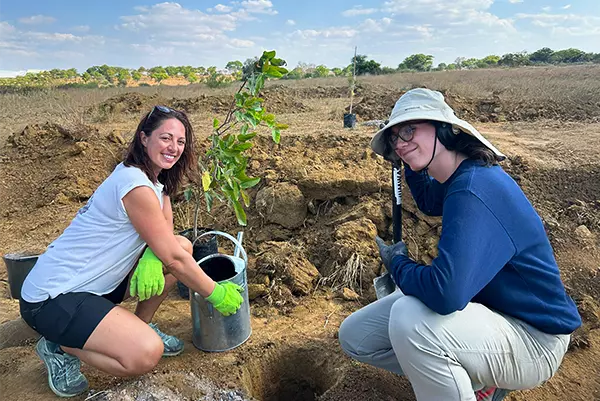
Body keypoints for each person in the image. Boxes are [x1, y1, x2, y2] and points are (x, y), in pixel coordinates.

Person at [338, 89, 581, 401]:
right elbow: (428, 201)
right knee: (356, 336)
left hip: (534, 337)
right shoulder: (460, 175)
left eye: (410, 130)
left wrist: (398, 265)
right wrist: (407, 163)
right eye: (394, 138)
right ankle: (467, 376)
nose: (400, 142)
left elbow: (445, 293)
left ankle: (473, 377)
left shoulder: (474, 189)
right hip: (492, 315)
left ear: (443, 128)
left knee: (409, 320)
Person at [19, 105, 244, 398]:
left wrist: (152, 256)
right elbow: (174, 261)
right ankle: (58, 346)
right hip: (53, 298)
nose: (173, 147)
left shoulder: (154, 182)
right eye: (165, 138)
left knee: (183, 244)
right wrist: (216, 293)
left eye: (180, 141)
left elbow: (169, 238)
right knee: (145, 353)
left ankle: (138, 326)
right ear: (143, 138)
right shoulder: (133, 184)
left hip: (94, 287)